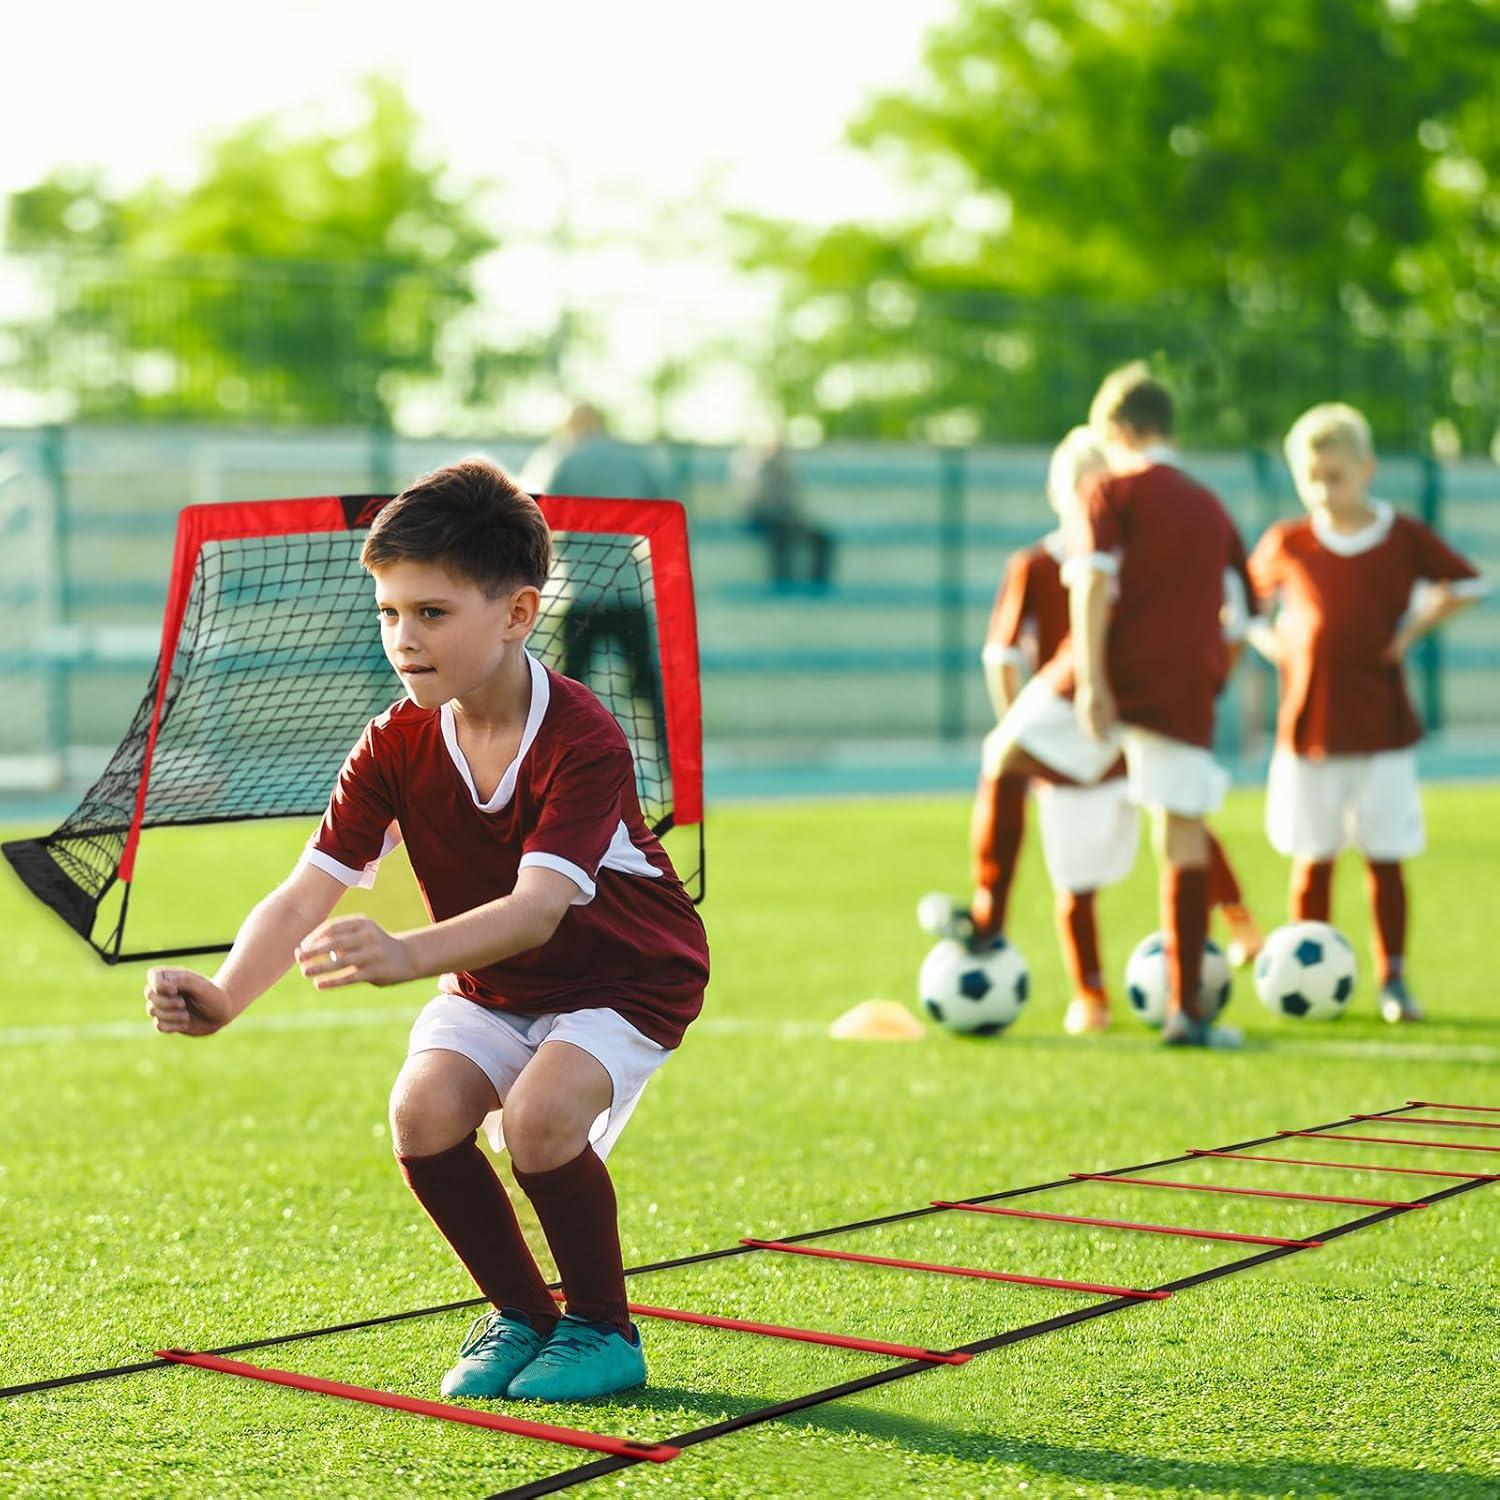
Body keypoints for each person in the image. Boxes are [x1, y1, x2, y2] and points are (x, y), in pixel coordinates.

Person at [144, 459, 710, 1403]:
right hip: (499, 983)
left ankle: (605, 1331)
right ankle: (525, 1314)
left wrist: (405, 956)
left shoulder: (583, 734)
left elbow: (537, 909)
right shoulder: (391, 741)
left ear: (519, 615)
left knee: (537, 1121)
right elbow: (301, 894)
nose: (404, 639)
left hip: (625, 976)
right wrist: (226, 996)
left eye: (433, 614)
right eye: (390, 613)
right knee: (422, 1114)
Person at [921, 425, 1262, 1037]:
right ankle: (1090, 993)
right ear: (1060, 494)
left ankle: (1230, 933)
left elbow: (1226, 611)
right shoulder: (1036, 561)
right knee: (1078, 876)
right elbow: (1000, 655)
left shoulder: (1131, 540)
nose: (1088, 491)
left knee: (1186, 824)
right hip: (1075, 724)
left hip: (1107, 702)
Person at [1248, 403, 1485, 1022]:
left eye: (1336, 476)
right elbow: (1242, 603)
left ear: (1366, 469)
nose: (1324, 489)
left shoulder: (1401, 535)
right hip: (1309, 726)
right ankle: (1308, 970)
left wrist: (1410, 632)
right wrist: (1278, 645)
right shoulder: (1287, 542)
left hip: (1381, 726)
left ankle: (1394, 979)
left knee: (1385, 854)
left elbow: (1467, 584)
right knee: (1313, 854)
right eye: (1312, 477)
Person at [520, 402, 668, 769]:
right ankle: (669, 764)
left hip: (580, 593)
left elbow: (532, 514)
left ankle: (556, 763)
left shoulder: (560, 457)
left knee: (565, 693)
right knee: (647, 687)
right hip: (627, 589)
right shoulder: (633, 459)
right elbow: (665, 505)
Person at [730, 436, 834, 589]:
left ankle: (818, 584)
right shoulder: (751, 466)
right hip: (762, 518)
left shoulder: (786, 469)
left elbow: (792, 502)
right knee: (782, 535)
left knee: (822, 538)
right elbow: (754, 501)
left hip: (786, 517)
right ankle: (783, 582)